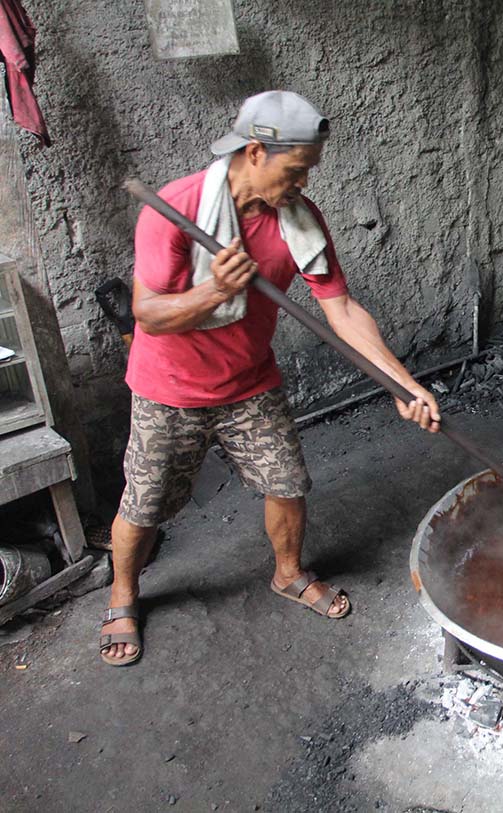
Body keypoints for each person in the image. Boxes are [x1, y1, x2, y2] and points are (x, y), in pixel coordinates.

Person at [99, 91, 441, 667]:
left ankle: (287, 574)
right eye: (297, 168)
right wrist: (215, 290)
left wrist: (402, 383)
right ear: (255, 152)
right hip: (170, 388)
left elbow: (343, 312)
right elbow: (149, 313)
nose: (304, 182)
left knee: (288, 482)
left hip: (249, 382)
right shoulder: (174, 208)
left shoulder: (299, 222)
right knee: (145, 502)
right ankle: (122, 593)